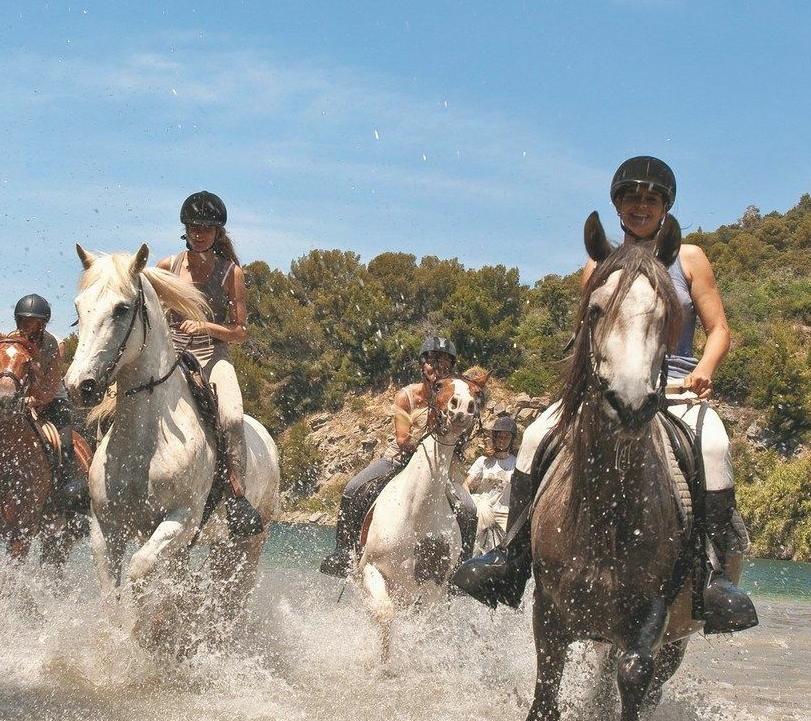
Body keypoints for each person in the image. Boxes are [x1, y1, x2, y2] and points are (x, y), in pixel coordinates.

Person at [450, 155, 757, 633]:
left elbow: (719, 330)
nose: (641, 206)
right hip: (605, 388)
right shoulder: (598, 262)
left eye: (651, 199)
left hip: (673, 387)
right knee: (535, 436)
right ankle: (511, 559)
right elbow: (589, 335)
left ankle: (713, 578)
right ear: (617, 206)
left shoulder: (688, 258)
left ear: (664, 207)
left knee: (714, 446)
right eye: (631, 198)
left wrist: (704, 370)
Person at [320, 336, 480, 577]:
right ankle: (344, 553)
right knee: (354, 488)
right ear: (423, 364)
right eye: (432, 361)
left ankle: (461, 570)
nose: (438, 367)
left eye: (445, 362)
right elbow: (403, 439)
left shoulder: (453, 397)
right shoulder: (406, 396)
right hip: (399, 459)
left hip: (439, 468)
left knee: (468, 509)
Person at [157, 192, 263, 535]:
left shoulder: (232, 273)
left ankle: (237, 495)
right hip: (172, 355)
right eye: (193, 227)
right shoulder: (166, 268)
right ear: (185, 229)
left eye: (207, 228)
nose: (199, 233)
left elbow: (240, 331)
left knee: (231, 417)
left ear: (218, 234)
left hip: (212, 354)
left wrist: (205, 325)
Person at [10, 294, 89, 515]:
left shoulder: (53, 344)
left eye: (32, 322)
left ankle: (66, 495)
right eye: (24, 321)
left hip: (53, 402)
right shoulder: (11, 341)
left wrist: (34, 400)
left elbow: (51, 384)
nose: (27, 327)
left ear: (42, 324)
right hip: (17, 403)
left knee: (64, 445)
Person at [465, 414, 519, 554]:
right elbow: (466, 484)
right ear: (495, 438)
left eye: (506, 437)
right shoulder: (483, 461)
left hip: (503, 516)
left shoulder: (516, 463)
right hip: (481, 514)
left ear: (512, 440)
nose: (502, 440)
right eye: (500, 436)